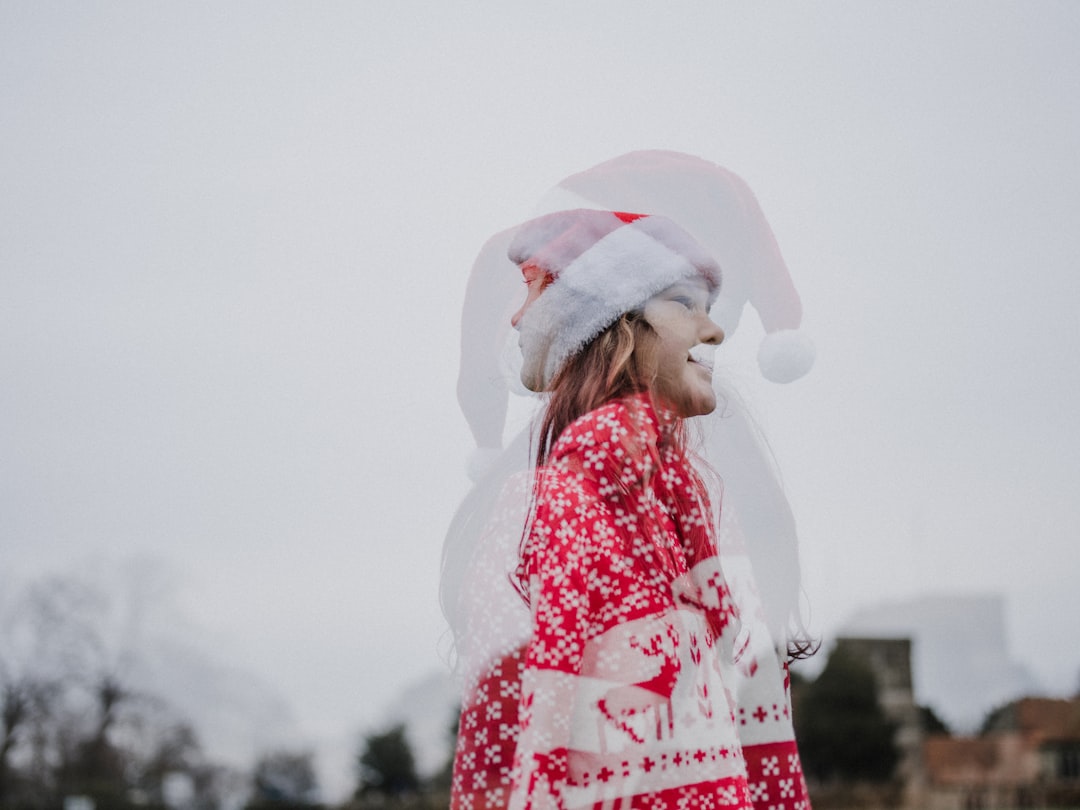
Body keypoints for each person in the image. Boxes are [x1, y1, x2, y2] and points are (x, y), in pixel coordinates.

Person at [445, 208, 812, 810]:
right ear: (613, 327)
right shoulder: (548, 508)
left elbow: (759, 740)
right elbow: (504, 747)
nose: (715, 331)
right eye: (684, 302)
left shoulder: (694, 510)